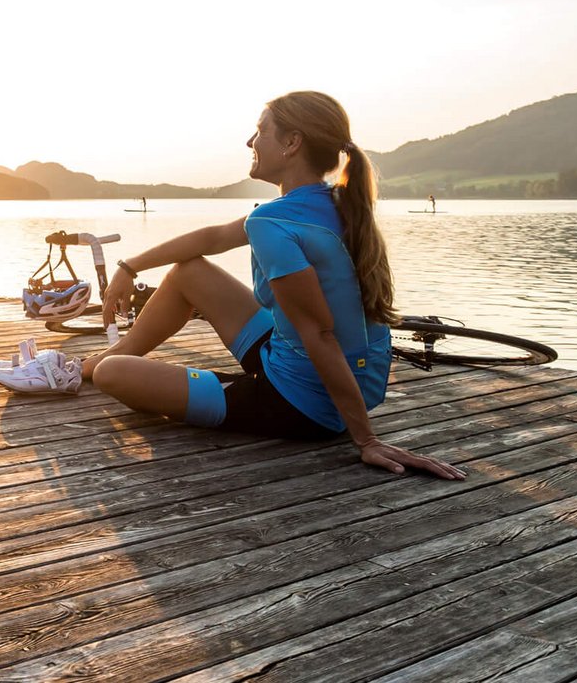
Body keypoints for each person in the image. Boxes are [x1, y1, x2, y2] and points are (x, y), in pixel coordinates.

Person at [81, 91, 463, 479]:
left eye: (261, 131)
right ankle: (87, 365)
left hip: (304, 404)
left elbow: (319, 334)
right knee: (188, 272)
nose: (251, 142)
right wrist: (129, 266)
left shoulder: (274, 224)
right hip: (352, 383)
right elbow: (212, 239)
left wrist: (365, 440)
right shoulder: (333, 203)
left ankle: (101, 365)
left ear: (292, 143)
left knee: (114, 373)